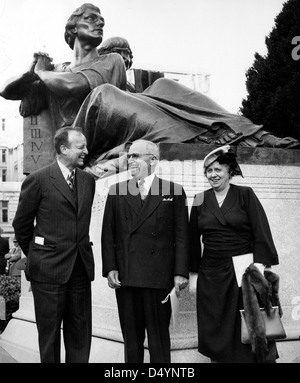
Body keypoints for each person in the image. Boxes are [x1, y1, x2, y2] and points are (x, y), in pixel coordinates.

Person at [101, 139, 190, 363]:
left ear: (153, 160)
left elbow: (182, 236)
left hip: (159, 278)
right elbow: (108, 234)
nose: (130, 160)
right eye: (129, 156)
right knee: (131, 340)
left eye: (136, 156)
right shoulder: (117, 191)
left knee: (159, 341)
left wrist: (181, 272)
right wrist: (110, 267)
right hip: (127, 277)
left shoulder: (173, 191)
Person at [189, 144, 280, 363]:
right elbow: (192, 239)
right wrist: (193, 275)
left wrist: (258, 266)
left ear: (230, 171)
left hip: (244, 271)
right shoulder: (200, 199)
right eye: (209, 171)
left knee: (251, 326)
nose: (213, 175)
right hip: (211, 275)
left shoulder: (245, 194)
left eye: (218, 170)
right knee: (216, 327)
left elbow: (261, 229)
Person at [12, 126, 96, 363]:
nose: (86, 151)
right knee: (49, 338)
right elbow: (22, 225)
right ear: (63, 148)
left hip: (80, 270)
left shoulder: (88, 181)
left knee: (80, 335)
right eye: (81, 147)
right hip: (48, 272)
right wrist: (38, 255)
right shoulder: (38, 180)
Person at [0, 3, 126, 129]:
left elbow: (74, 85)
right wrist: (28, 75)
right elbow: (5, 92)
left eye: (101, 20)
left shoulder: (112, 60)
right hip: (68, 145)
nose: (100, 23)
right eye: (91, 18)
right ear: (74, 28)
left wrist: (41, 72)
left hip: (101, 144)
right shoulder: (55, 72)